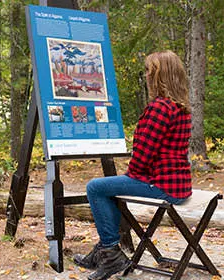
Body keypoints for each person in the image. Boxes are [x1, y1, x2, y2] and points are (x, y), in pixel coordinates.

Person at [73, 50, 192, 280]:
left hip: (162, 185)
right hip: (178, 184)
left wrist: (131, 177)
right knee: (110, 188)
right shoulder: (180, 107)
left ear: (159, 76)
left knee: (95, 187)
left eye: (149, 71)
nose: (146, 75)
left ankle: (110, 253)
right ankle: (105, 250)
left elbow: (143, 157)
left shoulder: (160, 108)